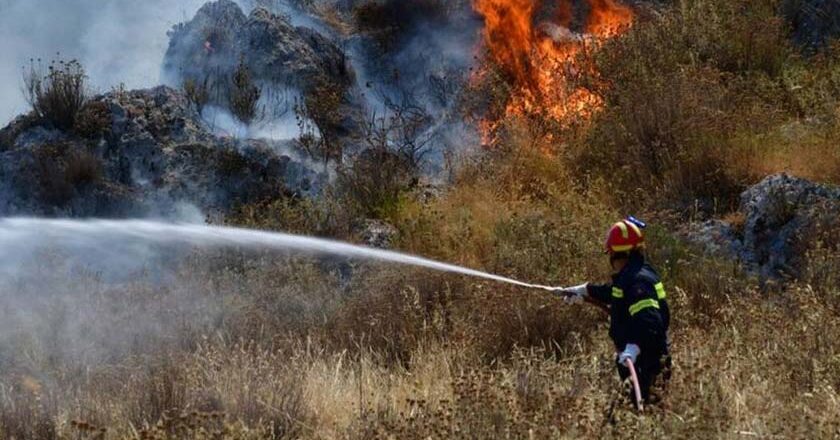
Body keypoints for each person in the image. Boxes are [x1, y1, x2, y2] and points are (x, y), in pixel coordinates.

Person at [557, 217, 671, 405]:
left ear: (621, 255)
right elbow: (616, 294)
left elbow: (651, 323)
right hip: (639, 359)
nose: (611, 261)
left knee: (644, 413)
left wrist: (634, 346)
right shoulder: (635, 273)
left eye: (611, 256)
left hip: (647, 363)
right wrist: (584, 290)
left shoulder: (637, 282)